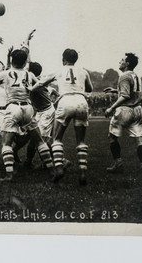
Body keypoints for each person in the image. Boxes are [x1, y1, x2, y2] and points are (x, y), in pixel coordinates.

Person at [0, 47, 61, 182]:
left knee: (7, 143)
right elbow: (39, 84)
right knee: (39, 141)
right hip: (28, 108)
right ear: (25, 61)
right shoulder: (29, 74)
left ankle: (9, 174)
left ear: (11, 60)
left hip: (12, 107)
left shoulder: (5, 73)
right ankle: (52, 170)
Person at [33, 49, 93, 185]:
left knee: (57, 139)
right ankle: (83, 172)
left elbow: (41, 83)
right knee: (81, 141)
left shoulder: (58, 70)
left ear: (63, 59)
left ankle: (59, 169)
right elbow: (89, 88)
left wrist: (30, 89)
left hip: (65, 101)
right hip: (81, 101)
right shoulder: (83, 71)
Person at [104, 53, 142, 174]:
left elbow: (125, 95)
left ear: (127, 63)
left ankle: (118, 164)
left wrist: (111, 108)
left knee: (112, 137)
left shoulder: (124, 76)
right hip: (138, 111)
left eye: (122, 60)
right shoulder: (136, 76)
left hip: (126, 110)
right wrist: (116, 90)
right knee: (140, 139)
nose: (120, 61)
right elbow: (133, 92)